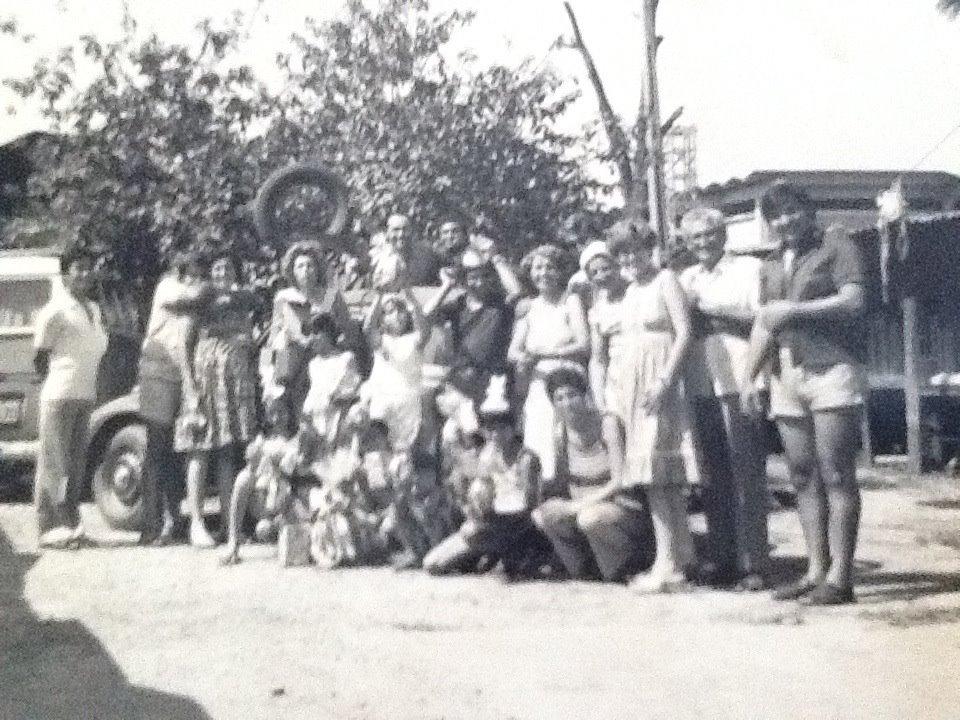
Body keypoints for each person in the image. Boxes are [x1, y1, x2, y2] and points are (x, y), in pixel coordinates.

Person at [741, 181, 868, 606]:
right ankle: (815, 569)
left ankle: (841, 577)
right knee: (801, 474)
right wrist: (750, 378)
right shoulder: (770, 263)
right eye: (776, 215)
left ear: (808, 211)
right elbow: (765, 323)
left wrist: (795, 310)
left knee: (836, 473)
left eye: (792, 211)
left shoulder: (835, 244)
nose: (785, 221)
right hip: (787, 373)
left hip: (831, 368)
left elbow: (853, 299)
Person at [679, 207, 770, 590]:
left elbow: (762, 319)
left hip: (740, 377)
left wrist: (712, 312)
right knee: (712, 475)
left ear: (723, 235)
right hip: (701, 382)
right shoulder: (686, 278)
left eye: (710, 234)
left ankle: (754, 565)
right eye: (696, 237)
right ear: (687, 243)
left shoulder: (749, 269)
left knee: (746, 472)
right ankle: (722, 559)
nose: (704, 243)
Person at [616, 227, 700, 593]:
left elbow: (684, 333)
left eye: (635, 250)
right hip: (636, 383)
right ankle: (681, 556)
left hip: (661, 380)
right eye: (622, 253)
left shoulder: (666, 280)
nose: (629, 259)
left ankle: (668, 563)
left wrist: (665, 381)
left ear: (649, 249)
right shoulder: (631, 290)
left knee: (660, 473)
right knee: (654, 476)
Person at [532, 368, 653, 582]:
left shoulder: (607, 424)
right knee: (543, 516)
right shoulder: (560, 433)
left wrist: (574, 507)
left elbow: (619, 481)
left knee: (590, 519)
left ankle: (629, 563)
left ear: (585, 395)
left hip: (621, 506)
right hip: (582, 506)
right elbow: (563, 481)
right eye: (559, 398)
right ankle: (584, 570)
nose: (567, 403)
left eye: (572, 395)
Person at [175, 251, 259, 548]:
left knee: (227, 450)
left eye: (228, 269)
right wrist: (191, 389)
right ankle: (197, 523)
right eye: (218, 269)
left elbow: (249, 340)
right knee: (199, 450)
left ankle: (228, 522)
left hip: (233, 383)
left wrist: (245, 343)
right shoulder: (201, 301)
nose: (223, 274)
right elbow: (183, 346)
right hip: (205, 381)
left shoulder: (241, 304)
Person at [423, 384, 544, 576]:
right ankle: (486, 555)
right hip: (489, 523)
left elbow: (528, 502)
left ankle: (514, 555)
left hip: (519, 524)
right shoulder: (487, 455)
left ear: (513, 428)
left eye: (502, 428)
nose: (496, 434)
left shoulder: (526, 458)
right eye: (491, 429)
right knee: (432, 564)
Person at [32, 244, 109, 549]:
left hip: (84, 395)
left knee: (76, 465)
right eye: (79, 268)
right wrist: (59, 382)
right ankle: (49, 527)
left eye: (89, 268)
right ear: (65, 275)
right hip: (60, 395)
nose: (85, 274)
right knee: (55, 463)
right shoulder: (55, 310)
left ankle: (71, 524)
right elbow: (40, 356)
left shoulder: (94, 309)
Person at [138, 251, 213, 545]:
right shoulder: (168, 287)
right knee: (157, 447)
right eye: (192, 273)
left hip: (181, 375)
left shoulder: (195, 299)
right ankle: (150, 525)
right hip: (158, 371)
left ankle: (173, 521)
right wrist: (211, 290)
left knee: (175, 450)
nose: (197, 279)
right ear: (181, 271)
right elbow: (192, 299)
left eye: (201, 274)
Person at [508, 244, 589, 482]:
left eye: (550, 267)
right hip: (539, 382)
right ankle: (544, 490)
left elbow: (584, 344)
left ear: (560, 272)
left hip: (568, 377)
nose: (543, 273)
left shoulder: (570, 301)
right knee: (541, 440)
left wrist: (544, 354)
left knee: (569, 436)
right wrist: (523, 358)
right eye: (538, 268)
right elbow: (513, 350)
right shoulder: (528, 308)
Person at [266, 240, 360, 427]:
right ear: (292, 271)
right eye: (300, 266)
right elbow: (274, 334)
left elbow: (348, 330)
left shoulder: (330, 295)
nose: (306, 270)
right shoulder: (283, 297)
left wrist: (335, 344)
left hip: (326, 356)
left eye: (310, 265)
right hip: (294, 360)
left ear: (318, 269)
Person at [424, 249, 516, 403]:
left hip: (492, 380)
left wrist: (495, 258)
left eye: (485, 276)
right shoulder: (458, 305)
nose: (480, 283)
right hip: (459, 377)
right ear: (464, 280)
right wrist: (447, 286)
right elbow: (426, 315)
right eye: (473, 278)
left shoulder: (500, 305)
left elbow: (517, 292)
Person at [580, 239, 631, 495]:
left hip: (646, 374)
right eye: (594, 272)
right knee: (619, 442)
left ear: (618, 265)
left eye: (606, 268)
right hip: (617, 381)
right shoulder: (598, 308)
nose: (601, 276)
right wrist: (600, 400)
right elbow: (598, 359)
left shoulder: (636, 292)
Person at [361, 288, 429, 451]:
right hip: (382, 403)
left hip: (407, 403)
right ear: (382, 320)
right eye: (390, 312)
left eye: (401, 311)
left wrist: (409, 294)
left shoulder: (414, 340)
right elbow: (368, 328)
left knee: (402, 452)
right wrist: (379, 295)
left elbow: (424, 329)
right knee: (377, 450)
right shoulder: (381, 341)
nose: (397, 315)